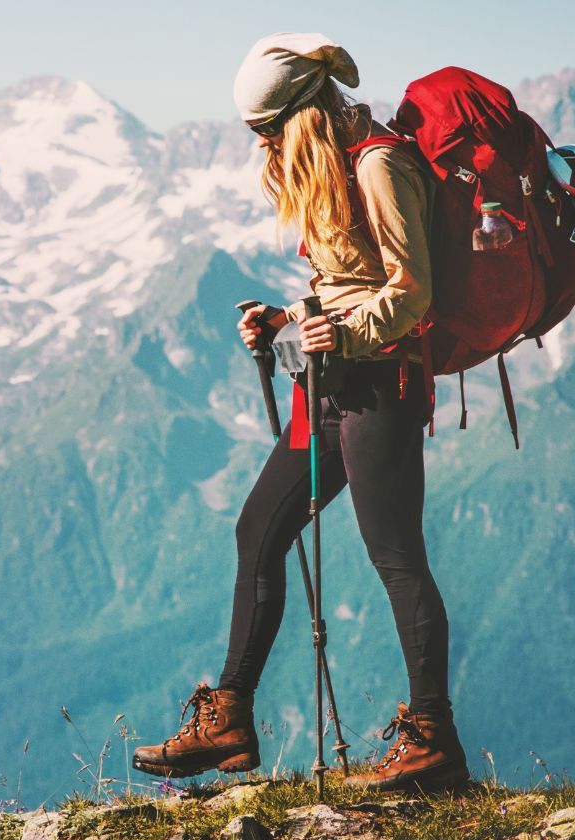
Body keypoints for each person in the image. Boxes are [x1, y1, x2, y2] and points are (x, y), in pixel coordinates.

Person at [132, 32, 469, 792]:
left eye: (270, 132)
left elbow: (413, 292)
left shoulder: (379, 164)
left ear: (302, 115)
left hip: (382, 386)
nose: (266, 149)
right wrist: (287, 316)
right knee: (259, 528)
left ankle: (433, 741)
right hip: (332, 380)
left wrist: (340, 332)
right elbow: (351, 279)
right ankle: (229, 720)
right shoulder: (334, 166)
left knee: (396, 557)